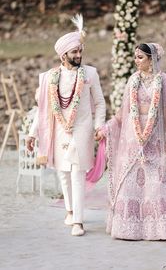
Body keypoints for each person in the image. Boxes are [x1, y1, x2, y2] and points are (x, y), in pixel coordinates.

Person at [101, 43, 166, 240]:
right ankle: (131, 227)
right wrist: (107, 127)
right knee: (131, 181)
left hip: (157, 136)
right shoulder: (133, 80)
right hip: (134, 138)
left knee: (160, 180)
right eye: (135, 57)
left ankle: (163, 227)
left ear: (151, 59)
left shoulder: (163, 80)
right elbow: (123, 111)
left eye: (140, 57)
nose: (136, 61)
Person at [26, 14, 106, 236]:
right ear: (63, 55)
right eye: (74, 52)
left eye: (80, 51)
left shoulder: (90, 73)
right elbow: (43, 111)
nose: (79, 55)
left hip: (82, 128)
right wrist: (32, 134)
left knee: (77, 173)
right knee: (63, 172)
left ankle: (79, 221)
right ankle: (70, 210)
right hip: (58, 131)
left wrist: (99, 126)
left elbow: (99, 103)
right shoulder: (49, 78)